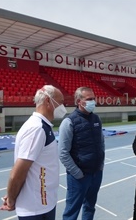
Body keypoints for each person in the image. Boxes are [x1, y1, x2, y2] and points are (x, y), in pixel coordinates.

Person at [0, 85, 67, 220]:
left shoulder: (43, 126)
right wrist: (11, 199)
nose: (63, 107)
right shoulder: (37, 129)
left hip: (43, 204)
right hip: (35, 209)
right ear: (48, 101)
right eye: (61, 102)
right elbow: (18, 173)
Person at [58, 86, 105, 220]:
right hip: (79, 176)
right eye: (89, 99)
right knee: (72, 211)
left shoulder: (96, 119)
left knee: (90, 207)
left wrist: (100, 166)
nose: (93, 102)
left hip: (96, 173)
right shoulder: (68, 122)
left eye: (94, 99)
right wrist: (77, 173)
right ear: (79, 101)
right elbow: (62, 152)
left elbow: (101, 143)